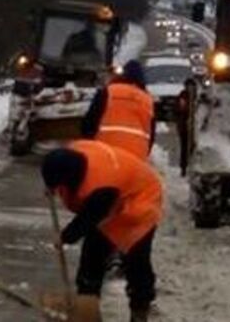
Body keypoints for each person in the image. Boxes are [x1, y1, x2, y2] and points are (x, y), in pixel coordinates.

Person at [42, 140, 163, 322]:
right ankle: (87, 311)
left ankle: (139, 311)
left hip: (140, 198)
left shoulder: (100, 186)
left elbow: (89, 218)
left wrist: (65, 237)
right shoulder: (74, 153)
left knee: (135, 258)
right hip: (115, 194)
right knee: (91, 258)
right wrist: (52, 185)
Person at [81, 60, 155, 160]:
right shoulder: (147, 100)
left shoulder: (108, 92)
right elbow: (151, 133)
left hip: (106, 151)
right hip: (136, 155)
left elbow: (90, 122)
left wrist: (88, 142)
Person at [175, 77, 199, 177]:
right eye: (188, 86)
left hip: (194, 125)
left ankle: (193, 166)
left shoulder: (198, 96)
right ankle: (184, 168)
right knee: (184, 147)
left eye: (192, 86)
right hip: (184, 124)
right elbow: (180, 109)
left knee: (194, 147)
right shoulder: (183, 95)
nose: (190, 88)